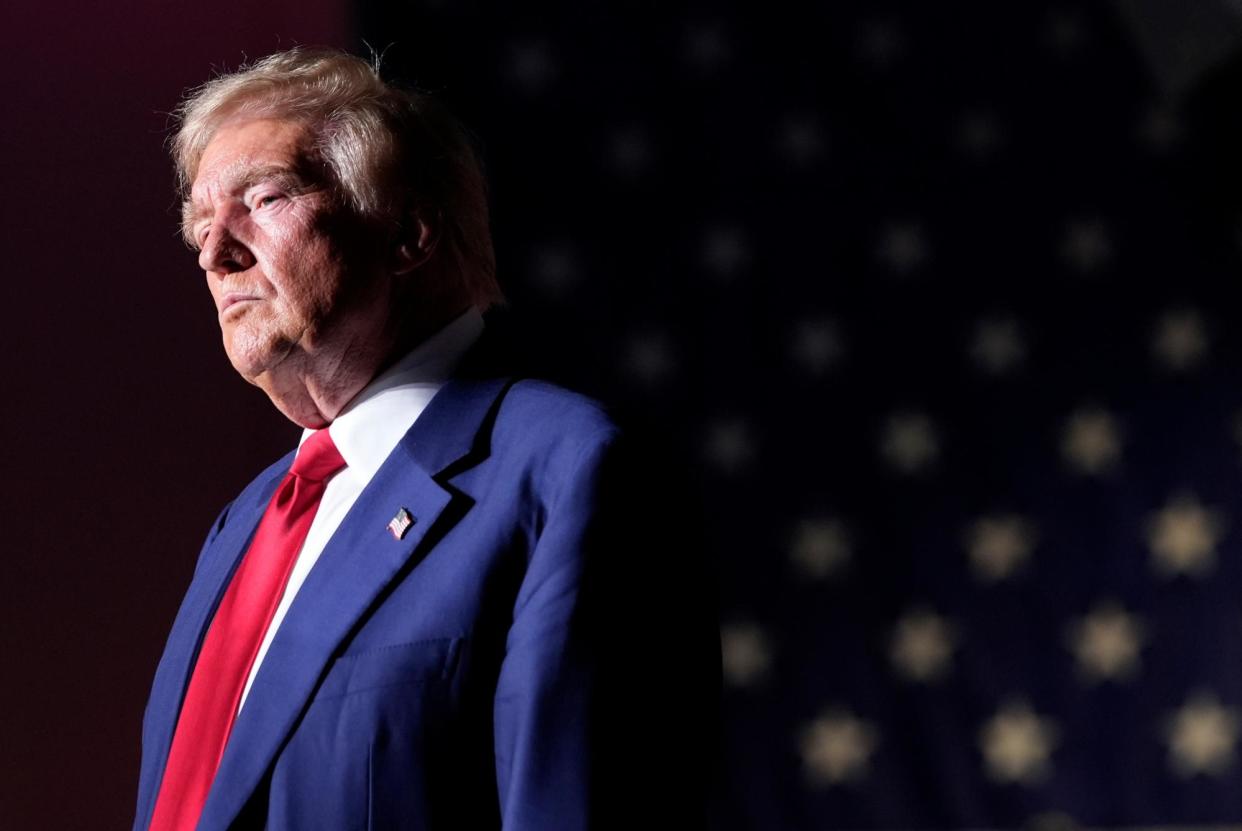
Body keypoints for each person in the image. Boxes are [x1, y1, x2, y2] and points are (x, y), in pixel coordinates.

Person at [132, 48, 716, 831]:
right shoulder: (245, 523)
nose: (214, 254)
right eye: (200, 227)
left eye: (263, 199)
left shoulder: (567, 469)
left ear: (407, 231)